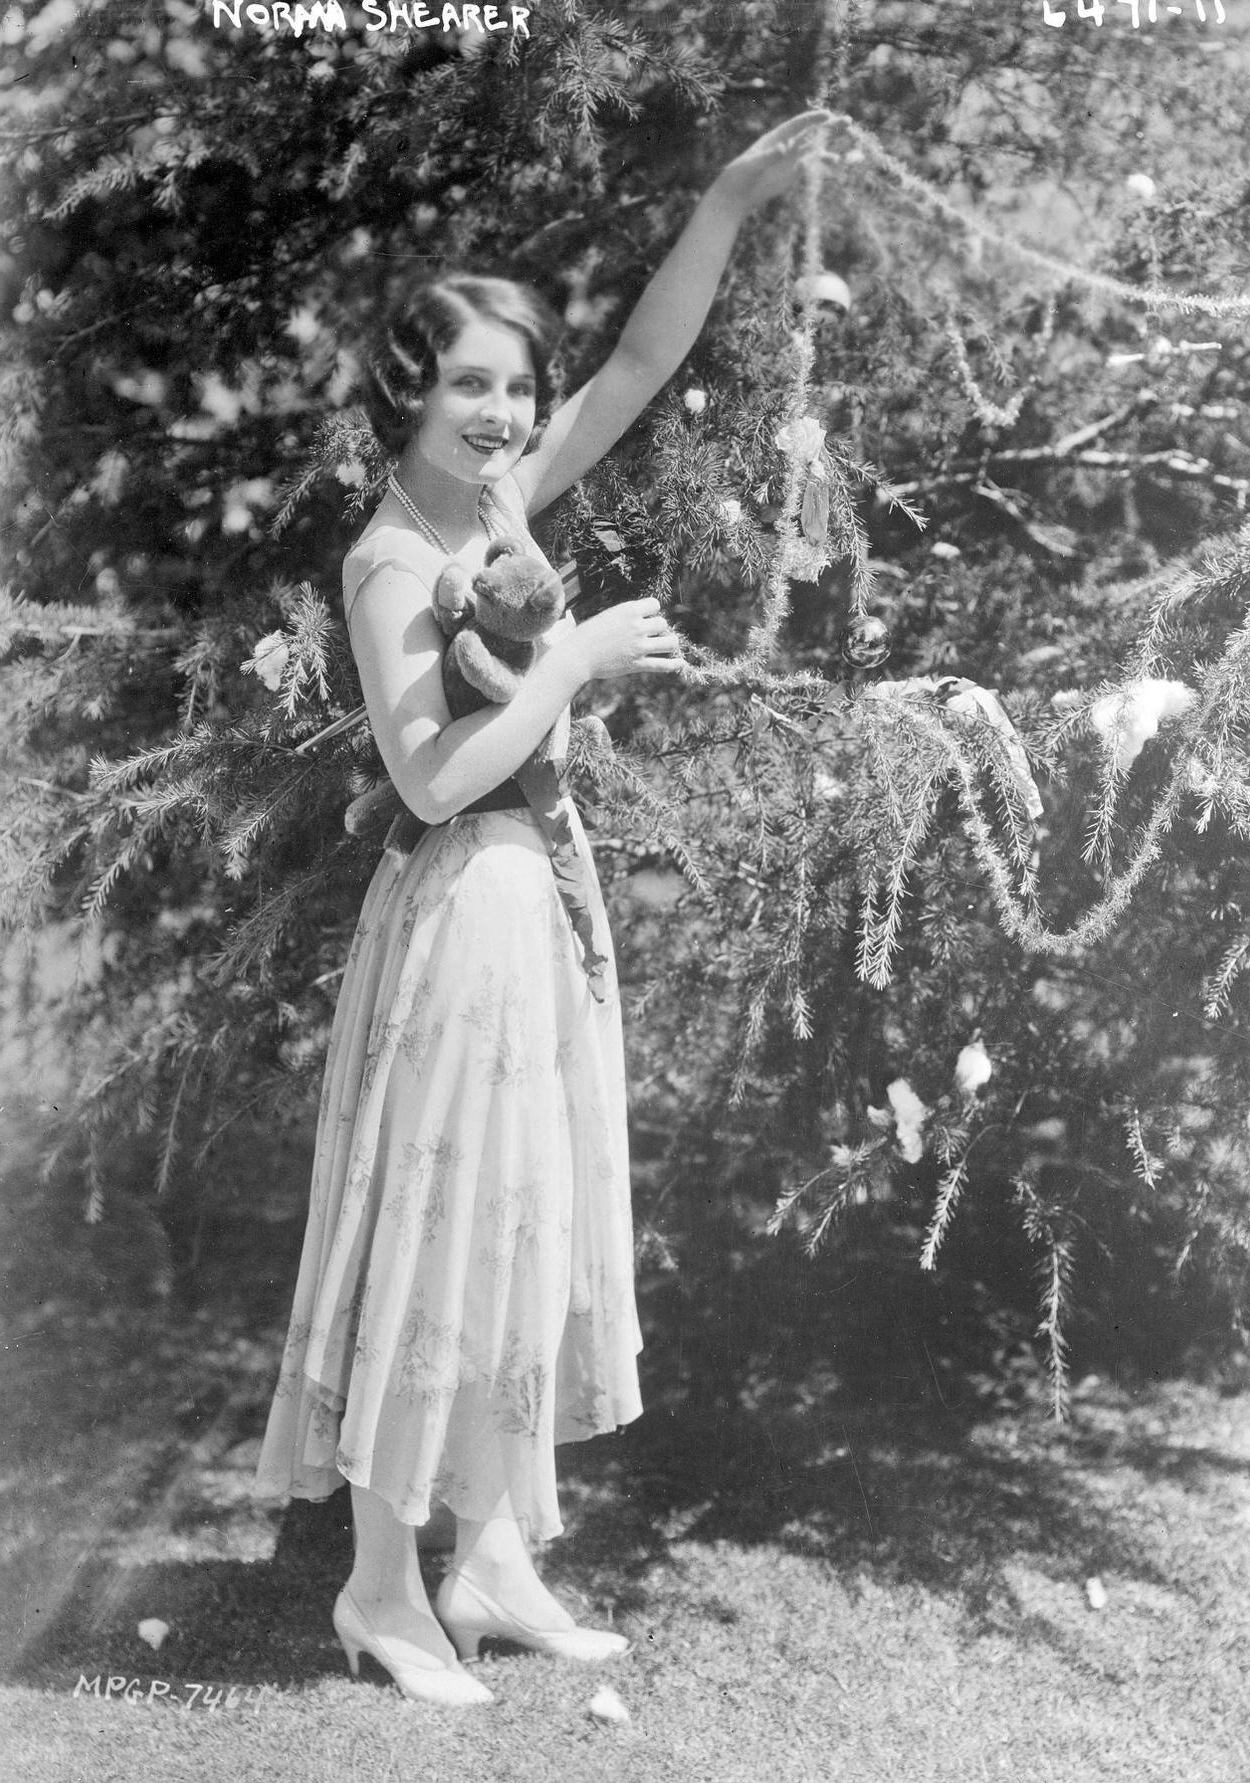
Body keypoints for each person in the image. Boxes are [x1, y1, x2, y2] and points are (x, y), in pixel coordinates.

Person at [255, 110, 835, 1707]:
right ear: (407, 394)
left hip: (541, 912)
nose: (507, 413)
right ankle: (381, 1589)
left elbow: (643, 366)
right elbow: (434, 780)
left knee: (523, 1224)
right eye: (472, 386)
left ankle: (493, 1562)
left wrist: (728, 200)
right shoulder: (392, 559)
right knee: (437, 1231)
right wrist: (574, 665)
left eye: (517, 386)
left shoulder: (498, 509)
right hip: (457, 916)